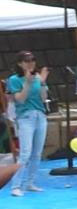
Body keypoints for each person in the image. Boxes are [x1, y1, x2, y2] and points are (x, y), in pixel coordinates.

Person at [7, 52, 48, 195]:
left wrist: (42, 82)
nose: (30, 63)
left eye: (32, 60)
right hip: (25, 116)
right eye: (26, 61)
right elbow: (20, 99)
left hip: (40, 115)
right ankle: (15, 186)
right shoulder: (14, 79)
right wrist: (28, 83)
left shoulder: (37, 77)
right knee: (25, 152)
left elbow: (43, 98)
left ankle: (30, 182)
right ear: (20, 63)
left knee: (37, 153)